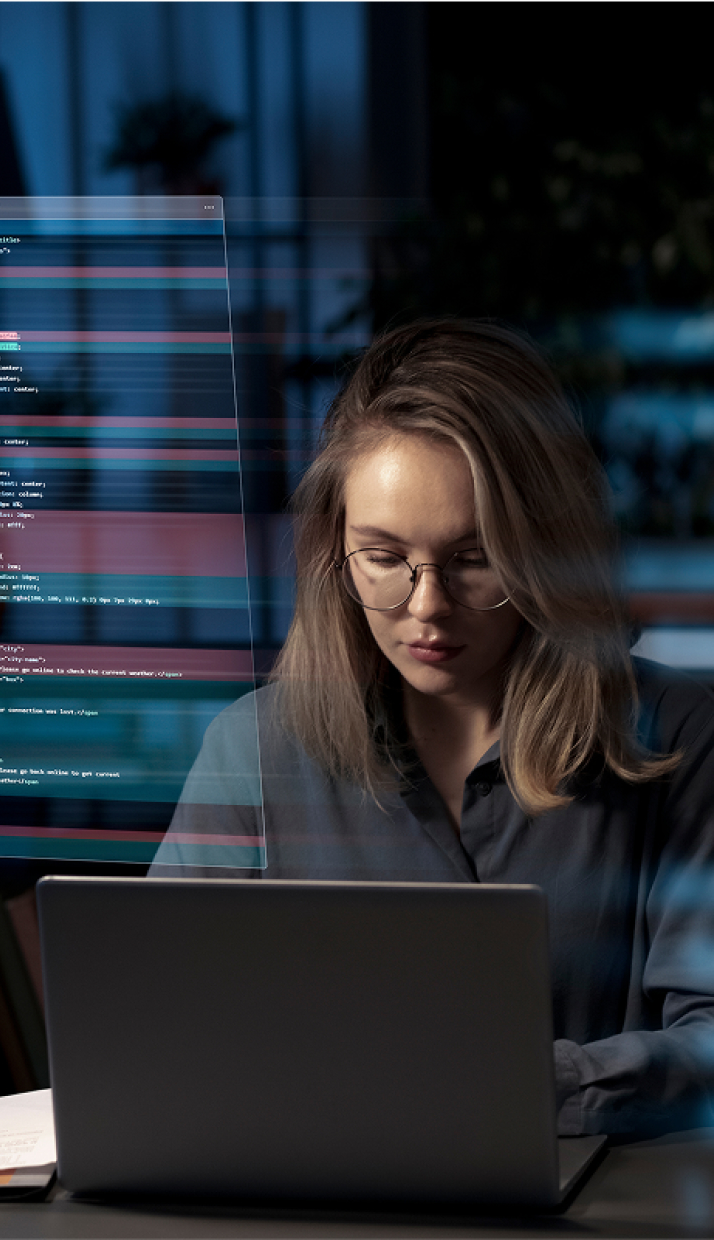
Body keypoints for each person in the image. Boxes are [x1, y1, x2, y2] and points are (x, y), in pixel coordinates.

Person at [152, 318, 714, 1138]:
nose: (426, 608)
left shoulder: (678, 737)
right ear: (332, 553)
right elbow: (159, 1035)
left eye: (474, 558)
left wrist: (514, 1082)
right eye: (382, 557)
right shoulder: (254, 750)